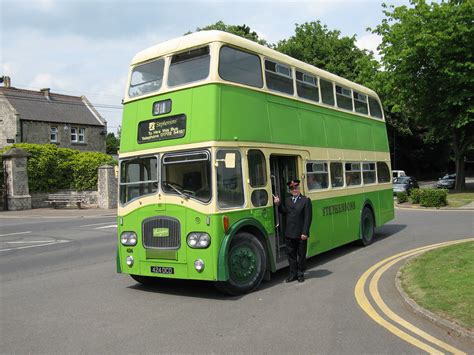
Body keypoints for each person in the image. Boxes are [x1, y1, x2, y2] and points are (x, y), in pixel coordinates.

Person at [273, 179, 313, 283]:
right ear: (290, 190)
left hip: (300, 234)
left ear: (299, 188)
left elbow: (308, 218)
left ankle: (300, 274)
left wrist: (305, 232)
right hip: (290, 233)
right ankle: (292, 274)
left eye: (296, 187)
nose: (294, 189)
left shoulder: (305, 200)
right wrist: (278, 204)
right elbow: (284, 212)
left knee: (301, 255)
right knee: (291, 255)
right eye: (292, 188)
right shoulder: (288, 200)